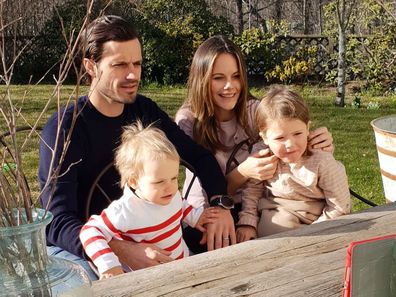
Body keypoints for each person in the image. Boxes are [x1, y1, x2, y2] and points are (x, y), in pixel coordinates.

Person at [39, 15, 233, 280]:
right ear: (91, 66)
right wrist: (119, 250)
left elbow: (199, 157)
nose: (133, 74)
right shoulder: (66, 128)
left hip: (156, 233)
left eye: (137, 63)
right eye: (119, 64)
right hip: (90, 249)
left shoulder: (144, 110)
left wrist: (219, 206)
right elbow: (56, 222)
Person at [175, 35, 334, 248]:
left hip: (256, 203)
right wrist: (244, 172)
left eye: (236, 76)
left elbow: (290, 137)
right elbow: (204, 186)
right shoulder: (189, 120)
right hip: (207, 207)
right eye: (218, 78)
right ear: (201, 79)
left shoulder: (255, 111)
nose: (229, 86)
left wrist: (316, 142)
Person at [80, 122, 219, 279]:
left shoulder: (169, 195)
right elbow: (90, 231)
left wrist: (195, 217)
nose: (171, 187)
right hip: (146, 278)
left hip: (181, 264)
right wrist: (109, 265)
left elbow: (180, 205)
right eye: (159, 182)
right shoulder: (127, 210)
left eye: (174, 178)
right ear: (133, 181)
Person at [236, 85, 351, 242]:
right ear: (264, 137)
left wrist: (316, 232)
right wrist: (247, 222)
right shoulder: (263, 155)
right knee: (272, 228)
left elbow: (340, 206)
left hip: (315, 215)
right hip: (275, 209)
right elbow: (252, 190)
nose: (290, 144)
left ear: (307, 128)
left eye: (297, 134)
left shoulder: (321, 160)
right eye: (280, 138)